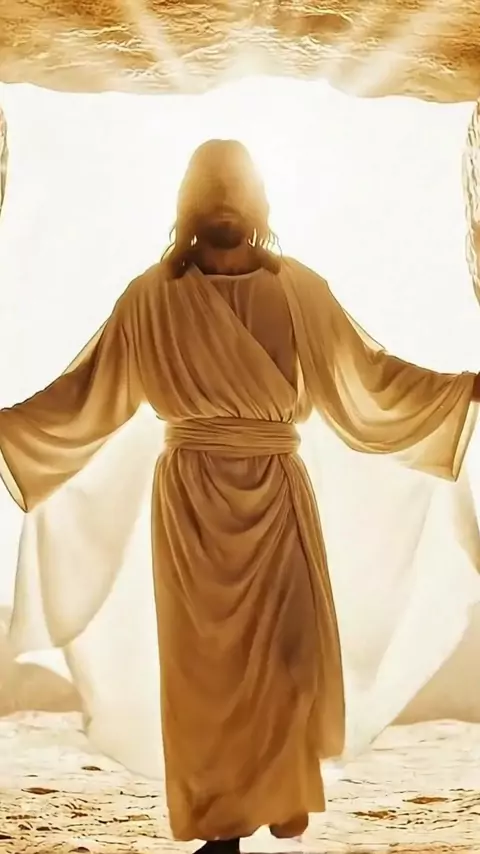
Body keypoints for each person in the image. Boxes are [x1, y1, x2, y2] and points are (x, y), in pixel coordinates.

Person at [0, 138, 480, 852]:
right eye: (213, 186)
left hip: (277, 493)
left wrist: (463, 390)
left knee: (291, 656)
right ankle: (222, 825)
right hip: (192, 504)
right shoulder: (150, 297)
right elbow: (83, 393)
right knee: (205, 673)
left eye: (236, 185)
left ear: (258, 199)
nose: (225, 199)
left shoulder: (300, 290)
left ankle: (282, 789)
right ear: (190, 201)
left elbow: (368, 377)